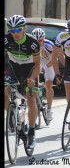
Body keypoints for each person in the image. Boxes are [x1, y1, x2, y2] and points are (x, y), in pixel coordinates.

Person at [5, 15, 41, 148]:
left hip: (30, 69)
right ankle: (15, 121)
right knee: (6, 92)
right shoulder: (6, 40)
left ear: (24, 29)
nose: (15, 34)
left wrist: (32, 78)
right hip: (13, 67)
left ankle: (31, 132)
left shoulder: (32, 43)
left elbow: (38, 64)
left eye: (18, 30)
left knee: (31, 98)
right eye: (12, 30)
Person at [31, 28, 55, 122]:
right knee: (33, 84)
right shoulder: (30, 44)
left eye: (40, 40)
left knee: (48, 84)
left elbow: (54, 60)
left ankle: (49, 109)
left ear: (43, 39)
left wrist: (44, 68)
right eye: (35, 40)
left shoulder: (49, 45)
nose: (37, 42)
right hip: (36, 64)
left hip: (48, 64)